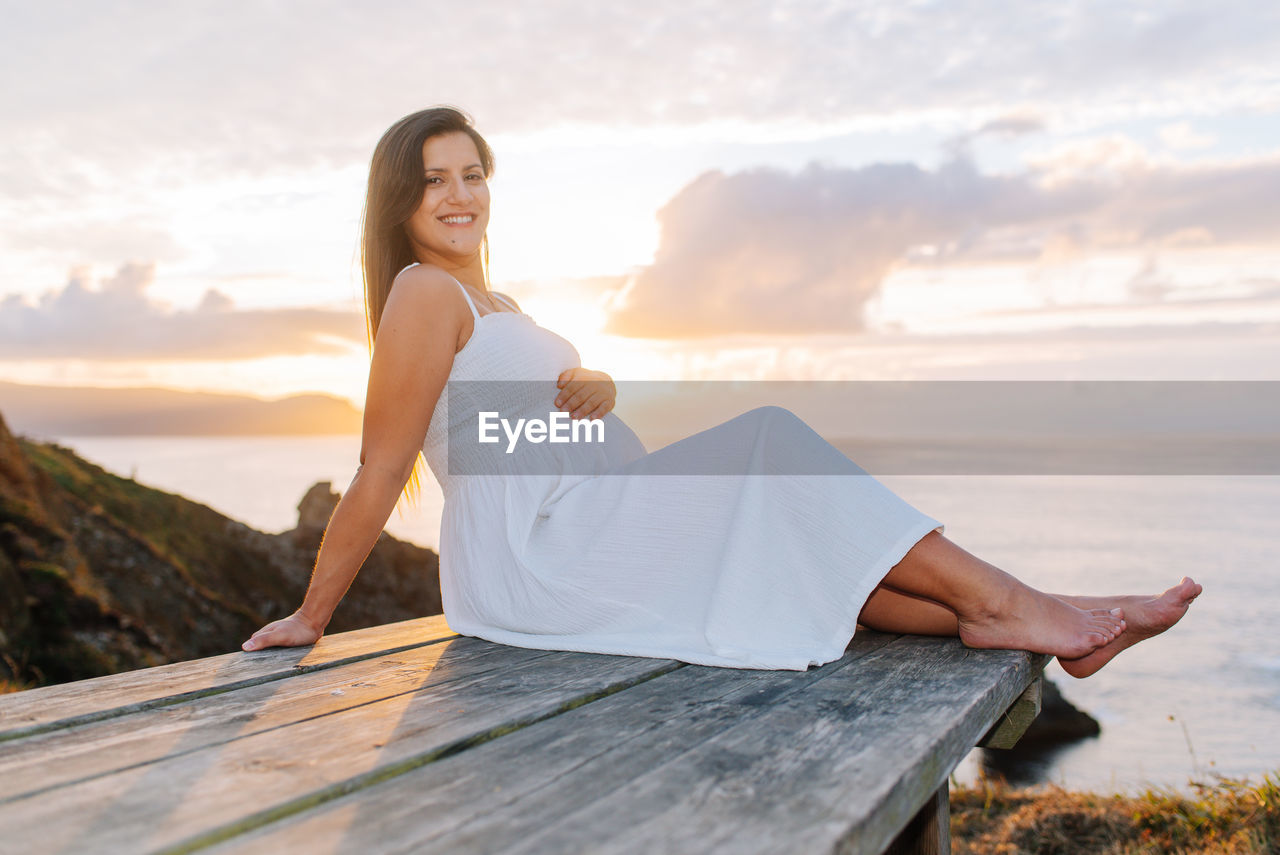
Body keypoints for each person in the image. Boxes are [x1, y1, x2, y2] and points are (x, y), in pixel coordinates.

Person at [241, 106, 1200, 676]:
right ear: (398, 201)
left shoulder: (500, 299)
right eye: (433, 180)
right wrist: (312, 615)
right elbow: (381, 465)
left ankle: (1050, 613)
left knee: (805, 537)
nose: (460, 195)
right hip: (539, 560)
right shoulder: (421, 293)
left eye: (473, 173)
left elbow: (510, 420)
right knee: (771, 442)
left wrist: (595, 391)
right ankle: (1020, 603)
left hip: (597, 511)